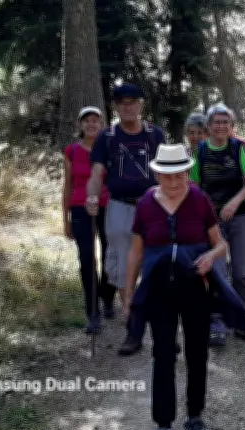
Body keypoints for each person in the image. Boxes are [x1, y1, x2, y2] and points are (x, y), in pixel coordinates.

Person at [127, 143, 245, 430]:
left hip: (195, 289)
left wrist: (210, 257)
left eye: (179, 175)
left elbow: (220, 244)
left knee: (197, 353)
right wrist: (128, 296)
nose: (173, 182)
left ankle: (195, 417)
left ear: (187, 173)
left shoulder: (199, 200)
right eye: (167, 176)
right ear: (157, 173)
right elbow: (135, 253)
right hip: (159, 293)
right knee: (164, 355)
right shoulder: (144, 204)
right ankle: (163, 426)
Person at [86, 83, 166, 356]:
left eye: (132, 101)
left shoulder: (156, 135)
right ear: (115, 107)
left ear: (142, 104)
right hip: (119, 208)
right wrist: (92, 197)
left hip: (154, 208)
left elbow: (169, 173)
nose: (127, 107)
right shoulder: (106, 138)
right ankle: (133, 331)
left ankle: (160, 331)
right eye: (121, 102)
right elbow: (96, 174)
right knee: (122, 269)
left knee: (157, 269)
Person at [191, 104, 245, 346]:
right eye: (216, 122)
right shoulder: (200, 152)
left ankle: (240, 315)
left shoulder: (239, 147)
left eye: (225, 122)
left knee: (240, 272)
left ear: (231, 127)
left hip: (239, 216)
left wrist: (234, 202)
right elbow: (195, 186)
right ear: (208, 127)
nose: (220, 126)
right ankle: (216, 321)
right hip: (212, 222)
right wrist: (205, 212)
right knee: (215, 271)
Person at [62, 106, 116, 334]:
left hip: (107, 207)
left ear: (102, 124)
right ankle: (92, 312)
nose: (91, 124)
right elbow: (68, 185)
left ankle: (108, 296)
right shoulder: (71, 151)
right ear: (80, 125)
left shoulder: (110, 149)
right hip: (80, 208)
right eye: (87, 121)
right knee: (86, 259)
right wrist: (64, 218)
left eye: (96, 120)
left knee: (109, 255)